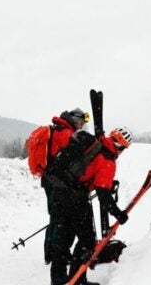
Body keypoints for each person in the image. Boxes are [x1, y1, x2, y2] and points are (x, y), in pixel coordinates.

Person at [45, 126, 133, 285]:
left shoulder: (94, 143)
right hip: (76, 198)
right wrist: (118, 214)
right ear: (121, 146)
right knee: (87, 241)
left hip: (58, 192)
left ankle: (57, 280)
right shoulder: (108, 160)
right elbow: (103, 194)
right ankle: (77, 281)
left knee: (63, 238)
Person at [41, 108, 89, 263]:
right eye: (81, 123)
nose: (81, 126)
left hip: (50, 179)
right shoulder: (65, 133)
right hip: (56, 181)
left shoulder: (59, 129)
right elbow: (67, 159)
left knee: (55, 216)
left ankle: (52, 253)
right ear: (75, 120)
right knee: (58, 218)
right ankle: (55, 255)